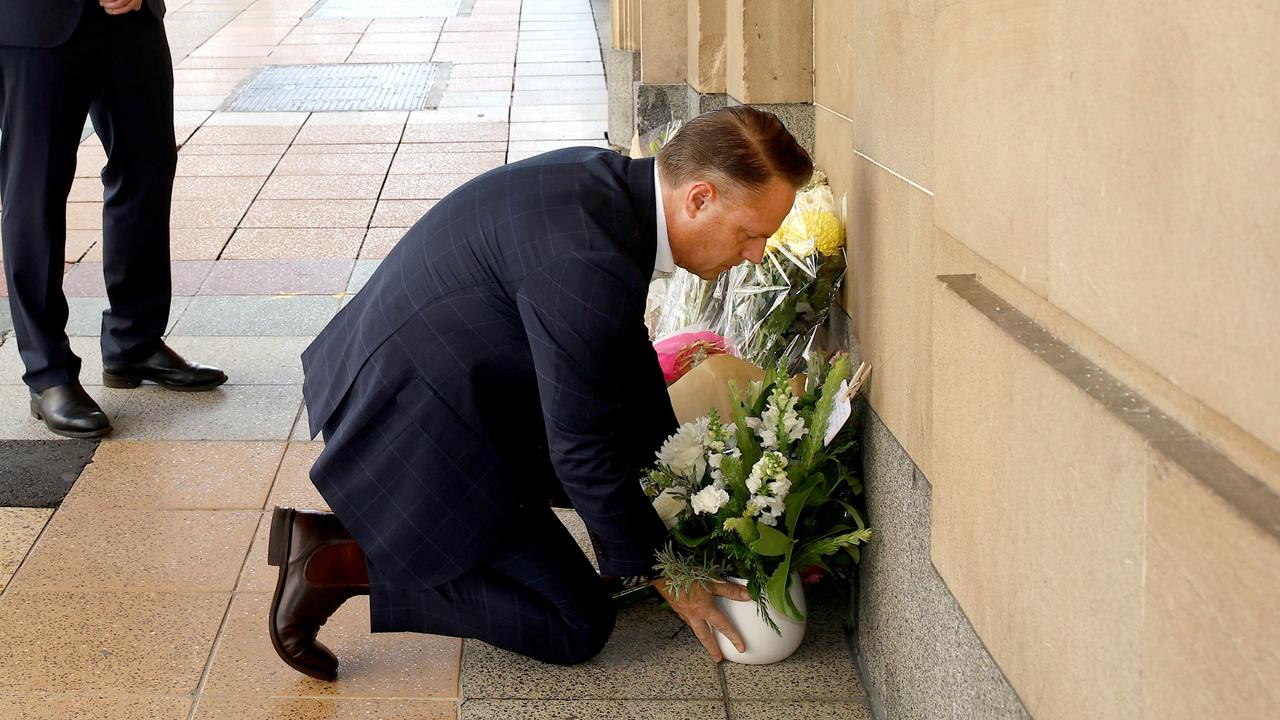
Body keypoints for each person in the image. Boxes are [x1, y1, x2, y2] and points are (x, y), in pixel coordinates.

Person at [268, 107, 813, 680]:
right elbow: (580, 448)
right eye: (752, 234)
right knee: (574, 622)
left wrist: (680, 480)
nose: (755, 254)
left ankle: (598, 544)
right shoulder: (588, 259)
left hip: (436, 387)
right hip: (412, 434)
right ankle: (337, 558)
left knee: (619, 482)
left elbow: (621, 355)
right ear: (699, 199)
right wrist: (669, 571)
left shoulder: (609, 188)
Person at [0, 0, 226, 439]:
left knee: (148, 167)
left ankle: (134, 341)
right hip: (37, 21)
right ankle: (47, 372)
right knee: (35, 187)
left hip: (133, 18)